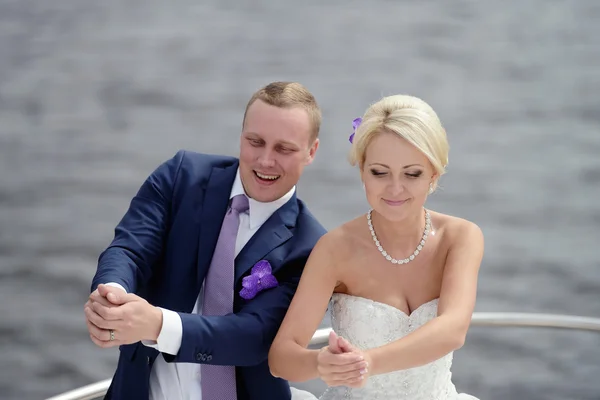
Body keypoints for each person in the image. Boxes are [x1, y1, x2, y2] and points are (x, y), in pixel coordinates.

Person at [83, 81, 328, 400]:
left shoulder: (312, 247)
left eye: (284, 149)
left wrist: (156, 325)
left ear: (311, 151)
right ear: (241, 135)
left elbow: (255, 336)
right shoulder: (180, 176)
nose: (265, 161)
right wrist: (111, 296)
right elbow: (130, 249)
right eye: (255, 141)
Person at [268, 94, 485, 399]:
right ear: (362, 172)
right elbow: (282, 358)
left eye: (412, 173)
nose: (395, 188)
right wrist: (321, 363)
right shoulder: (335, 249)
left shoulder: (461, 238)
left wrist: (366, 362)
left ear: (433, 175)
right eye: (380, 172)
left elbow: (452, 329)